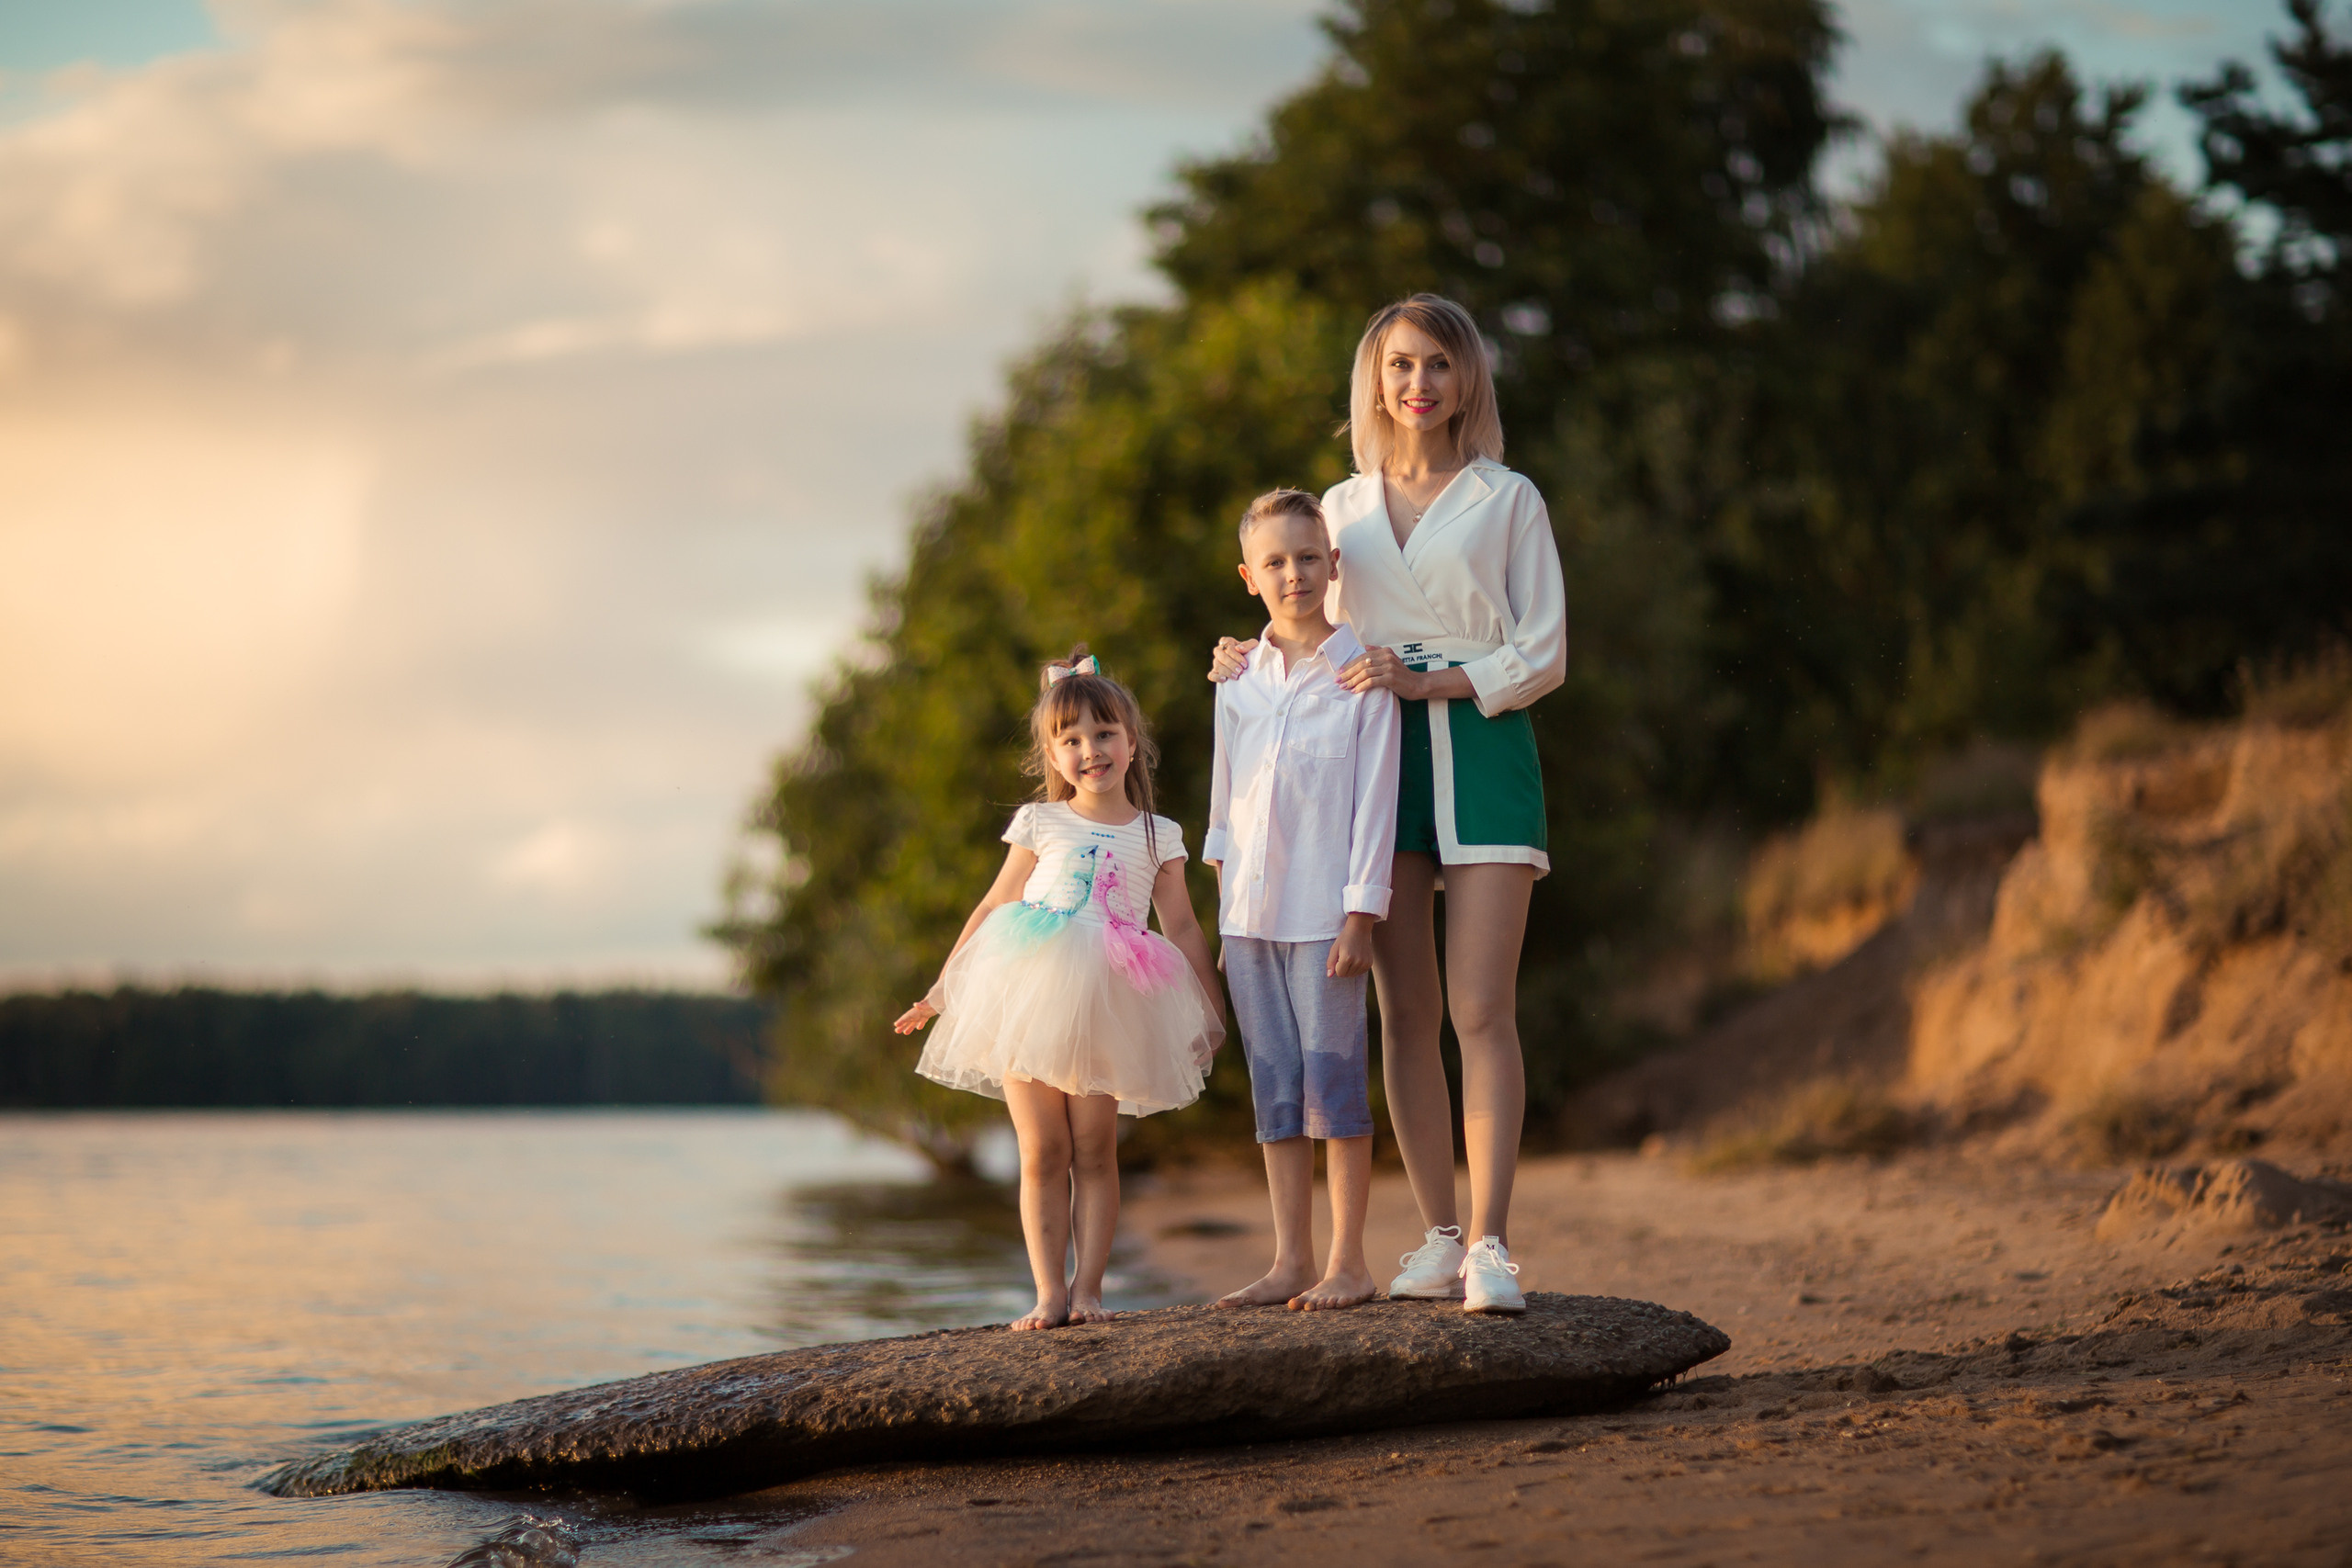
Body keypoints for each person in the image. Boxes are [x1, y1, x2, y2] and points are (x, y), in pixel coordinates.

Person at [1208, 294, 1566, 1314]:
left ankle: (1493, 1245)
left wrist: (1435, 684)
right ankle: (1437, 1237)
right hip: (1368, 759)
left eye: (1438, 365)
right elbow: (1300, 608)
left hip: (1485, 743)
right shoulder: (1342, 505)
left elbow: (1543, 652)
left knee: (1479, 1008)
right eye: (1400, 365)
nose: (1418, 384)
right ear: (1376, 380)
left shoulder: (1507, 498)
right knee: (1402, 1011)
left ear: (1467, 381)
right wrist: (1243, 654)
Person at [896, 649, 1226, 1330]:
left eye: (1104, 734)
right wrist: (943, 989)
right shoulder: (1041, 822)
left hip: (1112, 996)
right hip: (1027, 987)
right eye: (1070, 739)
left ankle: (1090, 1290)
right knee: (1042, 1149)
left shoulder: (1157, 834)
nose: (1090, 750)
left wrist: (1210, 1011)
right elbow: (992, 907)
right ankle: (1048, 1291)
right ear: (1052, 753)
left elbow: (1185, 927)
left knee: (1094, 1149)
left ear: (1132, 742)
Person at [1204, 488, 1402, 1313]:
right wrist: (1221, 901)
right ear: (1250, 576)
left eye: (1308, 558)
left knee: (1336, 1086)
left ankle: (1348, 1262)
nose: (1295, 574)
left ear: (1333, 567)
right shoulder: (1238, 679)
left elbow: (1375, 805)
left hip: (1326, 916)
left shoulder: (1362, 677)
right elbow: (1223, 800)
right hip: (1248, 918)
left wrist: (1362, 916)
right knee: (1277, 1091)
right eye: (1276, 562)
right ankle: (1290, 1260)